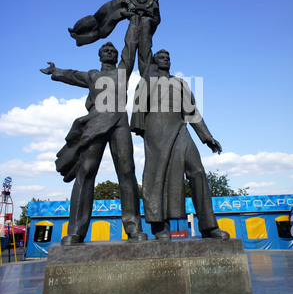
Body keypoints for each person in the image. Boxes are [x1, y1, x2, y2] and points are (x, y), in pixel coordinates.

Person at [41, 16, 148, 244]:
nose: (110, 52)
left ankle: (133, 227)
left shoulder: (121, 72)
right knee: (87, 171)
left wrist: (135, 23)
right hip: (96, 122)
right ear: (100, 56)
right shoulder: (92, 75)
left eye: (112, 50)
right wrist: (55, 71)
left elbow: (130, 46)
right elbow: (71, 75)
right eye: (105, 50)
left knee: (127, 172)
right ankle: (76, 231)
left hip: (119, 122)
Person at [131, 40, 230, 241]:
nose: (166, 59)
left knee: (198, 171)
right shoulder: (147, 79)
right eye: (161, 56)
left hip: (180, 128)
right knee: (158, 177)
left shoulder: (179, 83)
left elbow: (191, 111)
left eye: (168, 57)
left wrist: (207, 136)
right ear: (154, 61)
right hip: (156, 130)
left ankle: (208, 225)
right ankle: (161, 227)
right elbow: (138, 105)